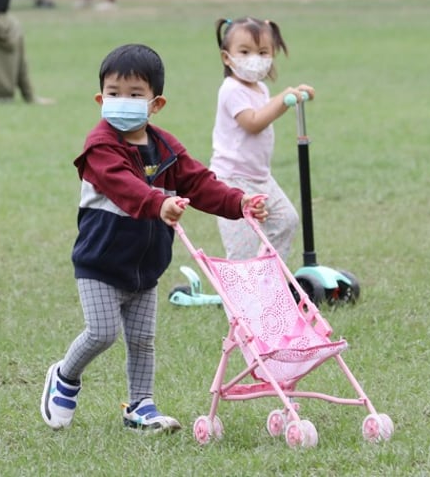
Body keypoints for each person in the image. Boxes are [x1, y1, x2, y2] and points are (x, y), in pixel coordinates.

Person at [40, 44, 267, 433]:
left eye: (134, 94)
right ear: (100, 98)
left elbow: (198, 182)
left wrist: (239, 202)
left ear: (155, 103)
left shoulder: (164, 148)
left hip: (146, 266)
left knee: (143, 340)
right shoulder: (100, 147)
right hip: (100, 263)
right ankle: (64, 376)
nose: (121, 101)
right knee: (102, 332)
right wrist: (158, 202)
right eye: (113, 93)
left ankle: (140, 406)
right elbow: (123, 185)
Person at [210, 17, 315, 262]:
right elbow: (253, 122)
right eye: (244, 52)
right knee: (241, 251)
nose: (254, 58)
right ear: (227, 57)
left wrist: (292, 95)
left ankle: (266, 278)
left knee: (285, 221)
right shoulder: (231, 89)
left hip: (259, 176)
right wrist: (283, 99)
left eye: (262, 52)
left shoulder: (260, 88)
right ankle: (239, 296)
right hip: (232, 181)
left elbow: (267, 111)